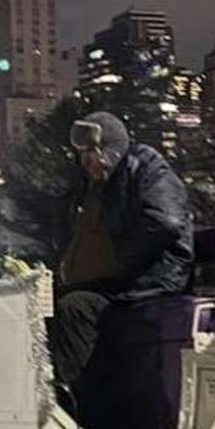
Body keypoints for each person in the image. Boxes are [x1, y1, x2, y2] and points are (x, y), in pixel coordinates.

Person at [47, 111, 193, 390]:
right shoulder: (99, 185)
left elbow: (167, 222)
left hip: (154, 279)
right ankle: (57, 389)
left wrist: (118, 259)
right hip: (124, 282)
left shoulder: (145, 165)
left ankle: (84, 403)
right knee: (50, 304)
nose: (86, 161)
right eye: (81, 154)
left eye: (91, 152)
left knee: (75, 308)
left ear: (110, 148)